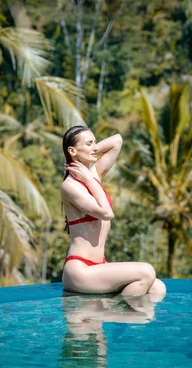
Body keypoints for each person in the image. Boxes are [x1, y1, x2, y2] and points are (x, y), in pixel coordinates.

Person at [61, 125, 166, 298]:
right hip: (81, 269)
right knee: (147, 271)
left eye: (95, 142)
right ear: (72, 150)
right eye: (89, 143)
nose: (95, 147)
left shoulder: (93, 172)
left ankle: (122, 318)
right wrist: (88, 177)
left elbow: (117, 140)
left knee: (158, 288)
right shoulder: (70, 186)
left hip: (99, 265)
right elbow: (106, 213)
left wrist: (88, 153)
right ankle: (113, 310)